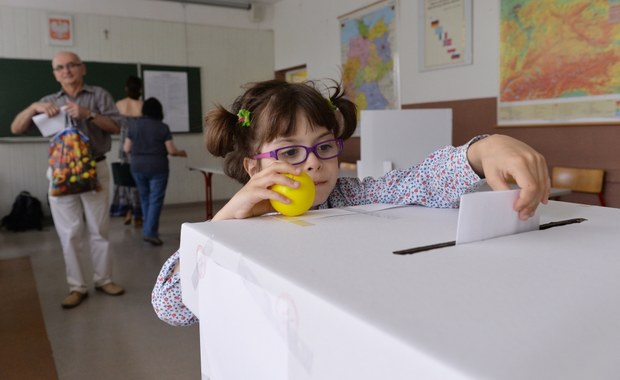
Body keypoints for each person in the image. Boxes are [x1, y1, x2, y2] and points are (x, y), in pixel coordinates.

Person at [151, 79, 550, 326]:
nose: (313, 163)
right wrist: (223, 224)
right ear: (253, 167)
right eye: (290, 152)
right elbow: (171, 307)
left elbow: (418, 181)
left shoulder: (348, 195)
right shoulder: (237, 223)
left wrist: (482, 150)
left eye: (324, 146)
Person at [10, 51, 125, 309]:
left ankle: (104, 279)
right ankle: (77, 286)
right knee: (69, 234)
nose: (66, 71)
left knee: (99, 229)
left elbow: (117, 127)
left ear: (82, 68)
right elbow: (16, 128)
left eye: (71, 65)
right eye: (60, 67)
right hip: (61, 174)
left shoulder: (99, 95)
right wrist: (33, 108)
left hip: (95, 169)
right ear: (55, 73)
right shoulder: (48, 101)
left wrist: (89, 114)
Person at [123, 97, 187, 246]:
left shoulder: (134, 126)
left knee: (145, 198)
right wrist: (181, 153)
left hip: (137, 167)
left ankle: (149, 229)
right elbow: (171, 151)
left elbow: (127, 149)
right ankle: (150, 233)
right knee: (155, 200)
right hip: (158, 167)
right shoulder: (163, 127)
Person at [110, 75, 143, 227]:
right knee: (138, 181)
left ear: (126, 89)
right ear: (140, 89)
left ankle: (127, 210)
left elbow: (115, 127)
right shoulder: (144, 105)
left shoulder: (120, 104)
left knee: (125, 180)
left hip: (123, 147)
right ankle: (138, 214)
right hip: (139, 148)